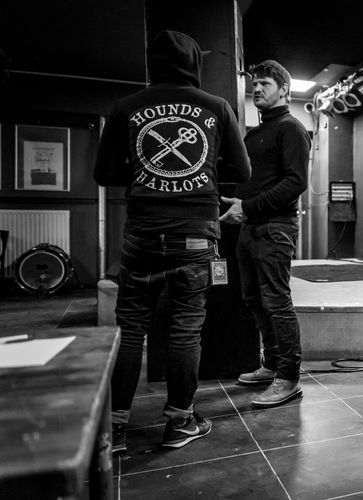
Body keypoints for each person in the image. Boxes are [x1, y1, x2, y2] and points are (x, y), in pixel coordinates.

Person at [93, 30, 251, 452]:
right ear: (194, 62)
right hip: (195, 235)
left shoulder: (125, 107)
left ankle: (115, 428)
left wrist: (144, 169)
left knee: (130, 330)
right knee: (185, 329)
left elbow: (104, 174)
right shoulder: (216, 107)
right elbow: (242, 171)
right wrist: (202, 169)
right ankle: (180, 422)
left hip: (143, 234)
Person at [220, 59, 310, 408]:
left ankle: (289, 378)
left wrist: (248, 206)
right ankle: (272, 365)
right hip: (251, 227)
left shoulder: (291, 129)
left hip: (275, 228)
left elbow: (296, 183)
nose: (256, 89)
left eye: (265, 84)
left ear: (284, 90)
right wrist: (241, 203)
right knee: (254, 301)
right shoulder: (255, 134)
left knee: (276, 302)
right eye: (254, 84)